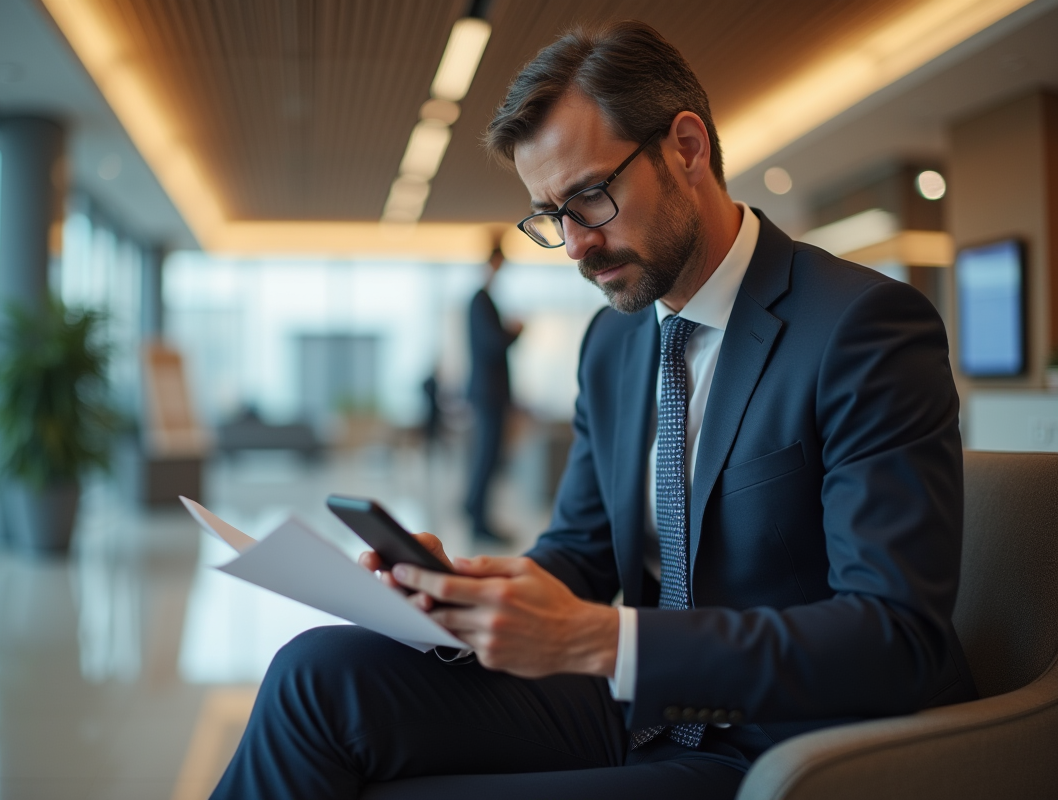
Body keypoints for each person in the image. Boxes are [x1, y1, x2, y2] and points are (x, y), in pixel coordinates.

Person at [211, 21, 976, 800]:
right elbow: (579, 556)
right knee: (315, 673)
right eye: (551, 217)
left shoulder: (862, 327)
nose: (575, 245)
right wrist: (467, 593)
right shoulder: (613, 346)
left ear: (686, 148)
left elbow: (897, 638)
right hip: (634, 708)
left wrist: (606, 639)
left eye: (590, 198)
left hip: (777, 742)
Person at [464, 244, 522, 542]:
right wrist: (515, 332)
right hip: (489, 393)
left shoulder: (482, 300)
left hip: (488, 393)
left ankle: (474, 511)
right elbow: (492, 345)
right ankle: (478, 521)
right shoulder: (481, 300)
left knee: (485, 456)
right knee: (487, 457)